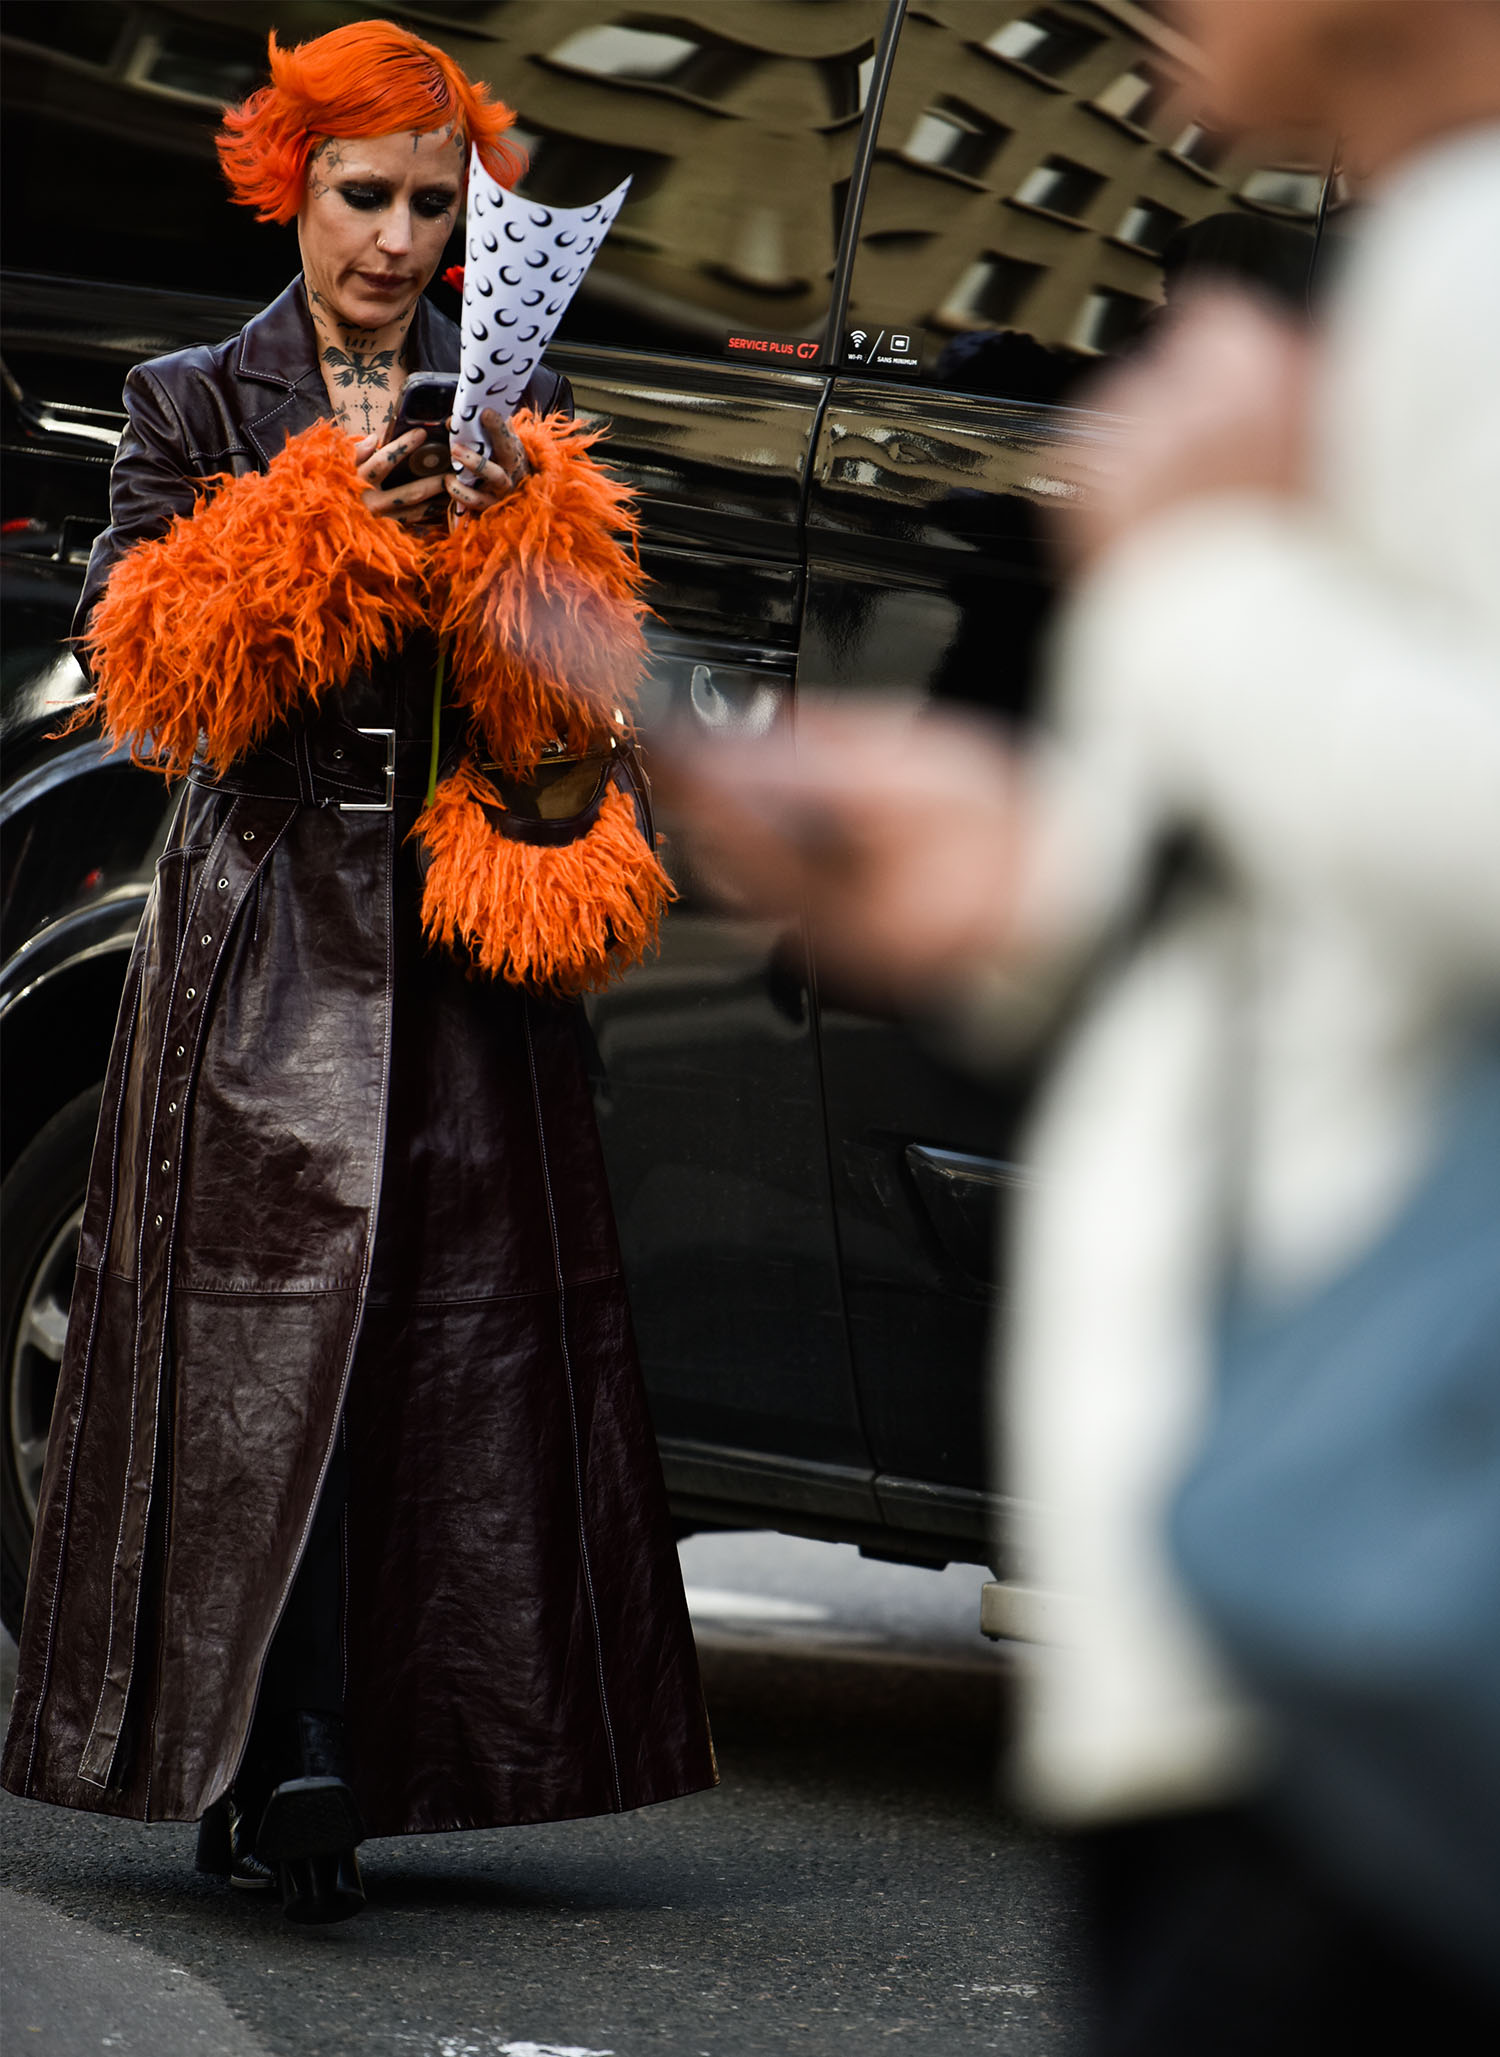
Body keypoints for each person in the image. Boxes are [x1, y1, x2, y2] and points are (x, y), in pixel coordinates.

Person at [667, 0, 1500, 2043]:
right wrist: (1029, 878)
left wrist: (1197, 590)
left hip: (1352, 1667)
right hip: (1273, 1640)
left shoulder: (1464, 273)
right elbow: (1333, 912)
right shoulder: (1408, 264)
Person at [1, 20, 715, 1925]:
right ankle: (286, 1740)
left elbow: (582, 687)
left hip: (459, 929)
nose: (399, 241)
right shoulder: (190, 400)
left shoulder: (515, 393)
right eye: (362, 196)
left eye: (429, 204)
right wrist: (329, 522)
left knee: (435, 1339)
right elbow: (146, 673)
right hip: (267, 927)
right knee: (264, 1340)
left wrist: (524, 544)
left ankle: (363, 1742)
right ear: (290, 187)